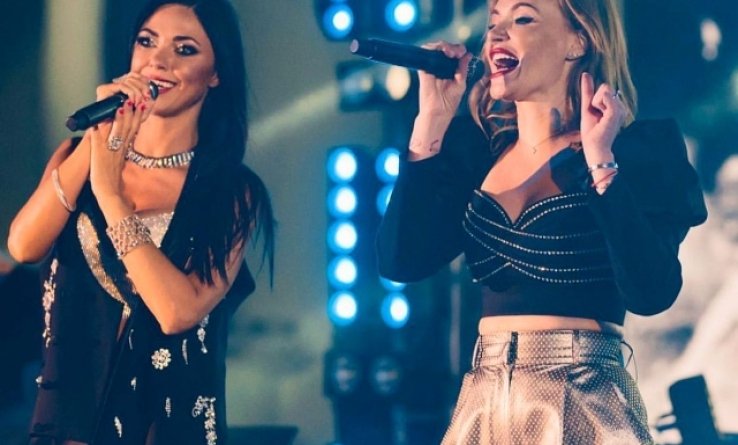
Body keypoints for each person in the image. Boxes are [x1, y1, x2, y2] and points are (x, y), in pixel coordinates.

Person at [376, 0, 707, 443]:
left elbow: (652, 292)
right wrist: (430, 123)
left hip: (580, 398)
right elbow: (400, 260)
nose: (496, 34)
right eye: (493, 21)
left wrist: (601, 162)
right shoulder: (479, 153)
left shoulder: (634, 151)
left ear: (578, 41)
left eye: (522, 18)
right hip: (483, 401)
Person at [7, 0, 274, 443]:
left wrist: (111, 195)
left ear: (215, 73)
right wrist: (100, 140)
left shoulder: (230, 192)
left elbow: (177, 312)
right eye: (147, 42)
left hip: (166, 426)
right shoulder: (78, 157)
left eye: (184, 49)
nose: (158, 61)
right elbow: (23, 245)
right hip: (67, 426)